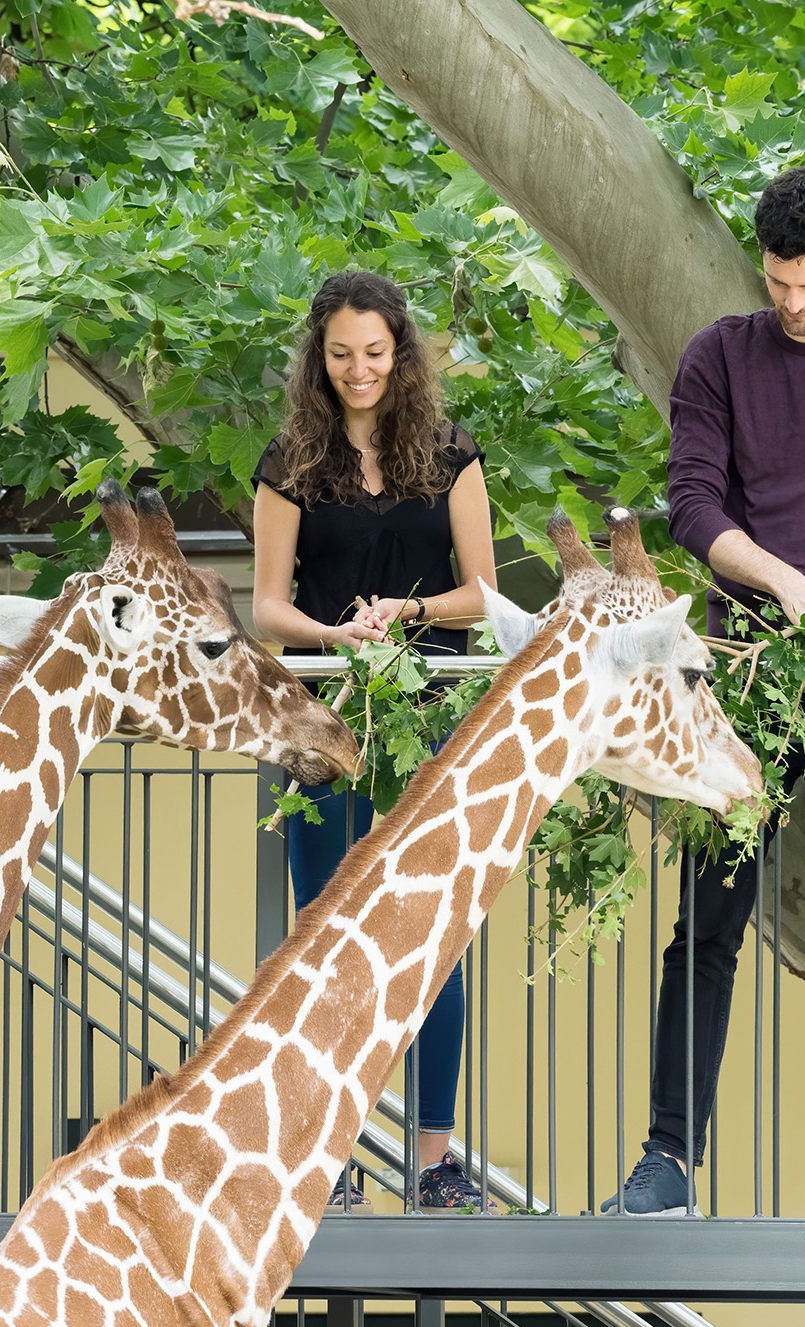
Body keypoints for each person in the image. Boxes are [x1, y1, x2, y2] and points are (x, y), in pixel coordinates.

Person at [603, 164, 805, 1219]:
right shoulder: (720, 356)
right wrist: (784, 580)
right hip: (749, 669)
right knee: (707, 920)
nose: (792, 302)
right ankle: (666, 1162)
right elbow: (692, 505)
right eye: (776, 283)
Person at [252, 270, 498, 1213]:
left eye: (375, 352)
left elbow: (482, 592)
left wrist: (410, 611)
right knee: (325, 941)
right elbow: (269, 603)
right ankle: (332, 1157)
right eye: (341, 353)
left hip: (427, 717)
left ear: (401, 353)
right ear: (320, 356)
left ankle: (433, 1159)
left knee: (431, 937)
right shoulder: (289, 461)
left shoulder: (449, 452)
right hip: (320, 722)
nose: (359, 370)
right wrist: (334, 635)